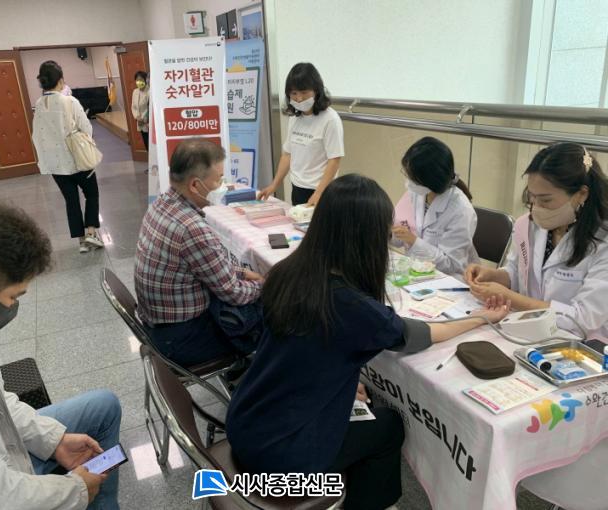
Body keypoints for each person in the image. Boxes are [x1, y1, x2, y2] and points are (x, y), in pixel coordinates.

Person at [226, 174, 509, 510]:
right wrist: (482, 318)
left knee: (366, 405)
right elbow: (420, 335)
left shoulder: (288, 271)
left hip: (245, 424)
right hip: (283, 460)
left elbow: (304, 353)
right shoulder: (353, 306)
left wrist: (343, 382)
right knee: (388, 426)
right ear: (368, 240)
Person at [0, 200, 121, 510]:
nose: (10, 307)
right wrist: (76, 490)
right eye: (11, 296)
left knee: (103, 406)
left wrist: (54, 440)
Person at [135, 138, 264, 368]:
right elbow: (233, 294)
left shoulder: (161, 204)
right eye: (219, 179)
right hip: (181, 340)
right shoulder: (191, 227)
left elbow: (207, 266)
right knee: (278, 312)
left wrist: (243, 273)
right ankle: (262, 379)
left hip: (159, 327)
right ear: (195, 185)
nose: (222, 186)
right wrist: (266, 285)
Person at [465, 142, 608, 338]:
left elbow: (583, 319)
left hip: (579, 342)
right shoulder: (529, 225)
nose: (537, 208)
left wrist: (511, 298)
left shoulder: (602, 242)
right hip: (527, 328)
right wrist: (493, 275)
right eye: (532, 198)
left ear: (581, 194)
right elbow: (518, 271)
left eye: (546, 200)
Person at [32, 60, 104, 254]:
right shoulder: (70, 101)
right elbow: (86, 128)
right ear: (61, 80)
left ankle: (81, 241)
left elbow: (36, 135)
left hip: (56, 165)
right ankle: (91, 233)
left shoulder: (38, 105)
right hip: (78, 159)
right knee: (91, 194)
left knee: (71, 201)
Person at [257, 63, 344, 206]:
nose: (299, 98)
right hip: (298, 188)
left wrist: (319, 193)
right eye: (294, 93)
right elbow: (287, 155)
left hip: (321, 190)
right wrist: (274, 185)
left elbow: (334, 160)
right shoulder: (295, 118)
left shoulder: (330, 119)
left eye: (304, 92)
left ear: (316, 90)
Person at [392, 137, 479, 275]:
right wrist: (388, 232)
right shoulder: (417, 192)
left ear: (430, 180)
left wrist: (414, 241)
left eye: (412, 177)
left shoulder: (461, 211)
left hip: (449, 279)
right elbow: (400, 237)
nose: (409, 181)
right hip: (416, 272)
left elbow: (451, 265)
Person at [131, 70, 149, 151]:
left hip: (148, 122)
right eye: (137, 80)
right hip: (140, 122)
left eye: (141, 79)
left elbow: (150, 107)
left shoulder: (149, 91)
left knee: (151, 144)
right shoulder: (135, 91)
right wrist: (137, 117)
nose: (139, 82)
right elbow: (133, 107)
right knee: (146, 143)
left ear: (145, 80)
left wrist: (144, 119)